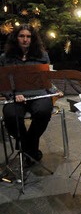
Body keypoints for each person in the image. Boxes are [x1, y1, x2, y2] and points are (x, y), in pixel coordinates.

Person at [0, 25, 54, 165]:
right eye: (21, 36)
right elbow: (3, 82)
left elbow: (47, 79)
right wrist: (13, 95)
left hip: (38, 94)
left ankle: (26, 147)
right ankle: (31, 150)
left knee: (43, 110)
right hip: (15, 95)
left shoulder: (42, 56)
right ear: (16, 38)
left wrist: (53, 90)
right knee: (11, 115)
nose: (25, 39)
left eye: (28, 36)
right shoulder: (5, 58)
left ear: (33, 38)